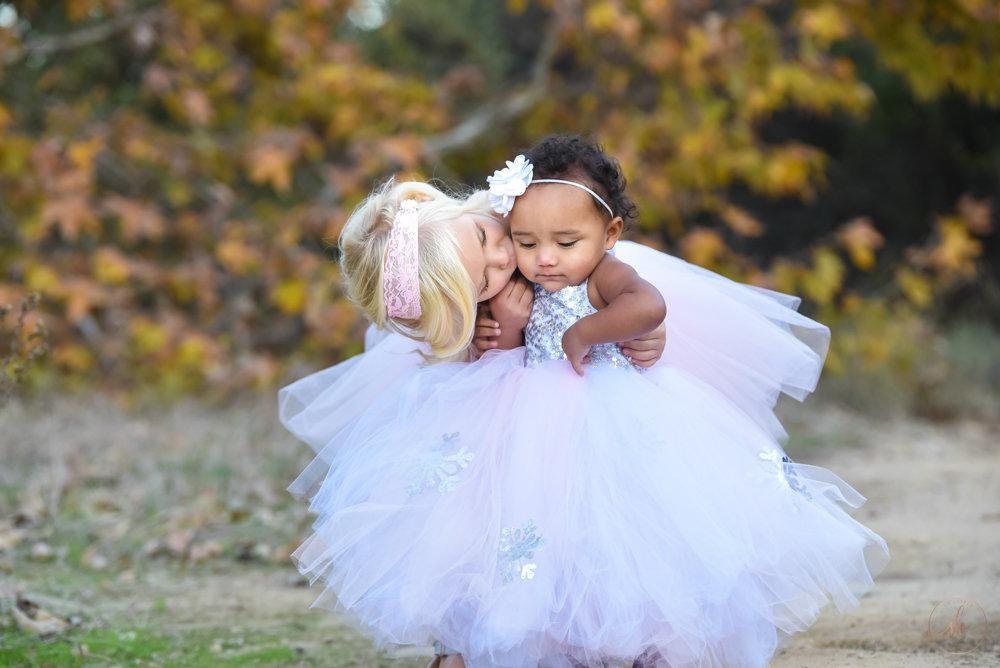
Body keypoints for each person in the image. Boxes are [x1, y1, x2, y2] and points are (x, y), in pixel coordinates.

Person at [279, 135, 890, 667]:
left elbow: (630, 295)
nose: (505, 258)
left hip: (607, 403)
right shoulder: (486, 297)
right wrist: (498, 334)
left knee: (628, 516)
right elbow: (471, 356)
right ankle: (486, 638)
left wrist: (630, 330)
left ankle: (644, 636)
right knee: (498, 522)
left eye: (489, 240)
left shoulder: (541, 227)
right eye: (486, 275)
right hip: (509, 425)